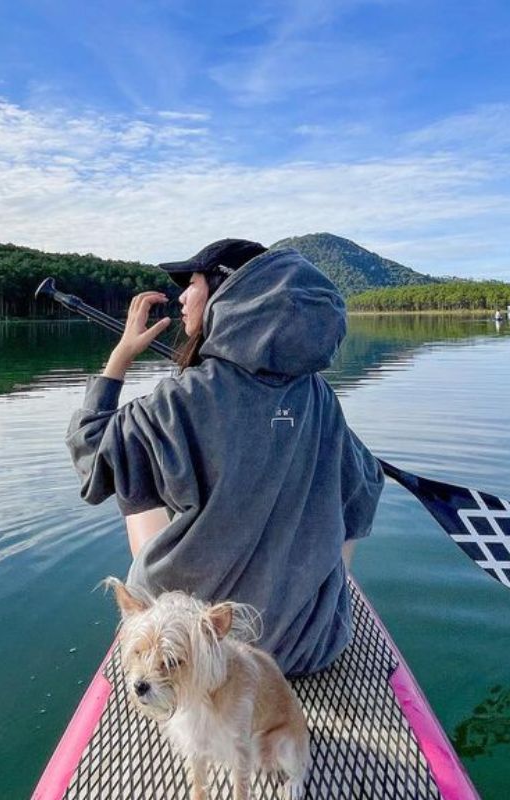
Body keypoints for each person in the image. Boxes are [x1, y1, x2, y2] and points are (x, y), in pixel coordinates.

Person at [65, 238, 385, 676]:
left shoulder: (184, 399)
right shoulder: (320, 396)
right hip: (307, 646)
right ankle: (319, 601)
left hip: (200, 653)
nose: (181, 296)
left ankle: (159, 615)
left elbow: (91, 457)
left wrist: (121, 356)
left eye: (191, 283)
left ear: (227, 292)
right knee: (354, 480)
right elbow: (364, 488)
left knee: (130, 473)